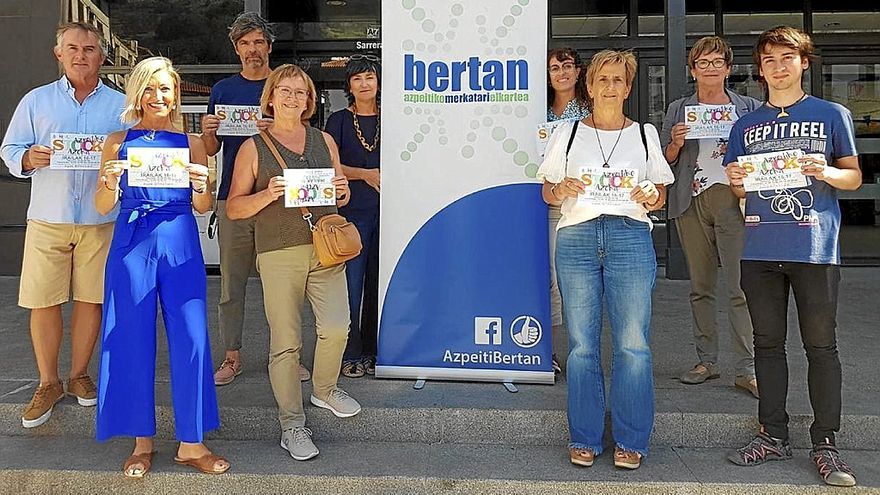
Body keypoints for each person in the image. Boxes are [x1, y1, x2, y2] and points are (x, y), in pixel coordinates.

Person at [723, 26, 861, 488]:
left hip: (814, 248)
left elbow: (854, 178)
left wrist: (826, 170)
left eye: (787, 57)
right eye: (769, 60)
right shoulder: (745, 125)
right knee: (767, 345)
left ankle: (826, 443)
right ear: (760, 70)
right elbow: (742, 190)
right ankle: (772, 434)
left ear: (804, 62)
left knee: (821, 347)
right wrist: (737, 178)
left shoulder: (831, 114)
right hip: (760, 248)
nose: (778, 67)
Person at [538, 50, 674, 470]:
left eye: (618, 80)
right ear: (590, 86)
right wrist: (562, 190)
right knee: (581, 345)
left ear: (628, 87)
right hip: (577, 237)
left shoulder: (647, 135)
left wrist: (652, 195)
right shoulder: (568, 134)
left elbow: (661, 192)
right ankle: (585, 436)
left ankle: (632, 438)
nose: (610, 86)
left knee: (633, 344)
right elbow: (547, 192)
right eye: (603, 79)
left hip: (629, 236)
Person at [94, 57, 228, 477]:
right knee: (130, 336)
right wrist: (110, 183)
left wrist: (203, 185)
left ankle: (192, 443)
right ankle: (141, 441)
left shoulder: (192, 144)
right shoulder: (117, 141)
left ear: (176, 94)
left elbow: (203, 206)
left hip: (180, 241)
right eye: (149, 88)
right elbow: (101, 206)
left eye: (165, 88)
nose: (157, 97)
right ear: (137, 93)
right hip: (132, 241)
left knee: (191, 337)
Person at [226, 64, 361, 461]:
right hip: (278, 251)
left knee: (337, 327)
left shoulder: (323, 140)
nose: (292, 98)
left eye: (300, 92)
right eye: (284, 91)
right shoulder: (255, 147)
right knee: (286, 343)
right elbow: (234, 208)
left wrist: (342, 189)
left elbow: (341, 195)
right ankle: (292, 425)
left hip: (325, 246)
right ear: (270, 96)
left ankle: (323, 389)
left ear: (309, 100)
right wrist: (267, 194)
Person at [0, 22, 125, 428]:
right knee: (43, 300)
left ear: (102, 56)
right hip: (49, 215)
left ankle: (79, 375)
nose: (81, 55)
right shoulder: (36, 101)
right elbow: (10, 148)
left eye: (89, 49)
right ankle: (48, 382)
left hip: (100, 218)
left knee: (92, 299)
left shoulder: (121, 106)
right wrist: (27, 158)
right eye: (72, 48)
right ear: (58, 53)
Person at [201, 13, 310, 385]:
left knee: (282, 286)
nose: (252, 50)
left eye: (258, 42)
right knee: (232, 286)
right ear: (236, 49)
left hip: (279, 202)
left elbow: (304, 138)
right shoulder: (222, 90)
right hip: (233, 197)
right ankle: (232, 357)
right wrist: (208, 132)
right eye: (245, 43)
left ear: (269, 46)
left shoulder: (284, 86)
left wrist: (276, 130)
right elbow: (212, 148)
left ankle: (287, 356)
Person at [660, 36, 762, 398]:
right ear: (692, 70)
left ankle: (747, 368)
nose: (711, 68)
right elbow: (663, 161)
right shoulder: (678, 109)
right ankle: (707, 360)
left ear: (728, 68)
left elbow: (760, 153)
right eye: (703, 63)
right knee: (700, 287)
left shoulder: (748, 108)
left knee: (740, 287)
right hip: (691, 200)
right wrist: (674, 142)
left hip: (735, 201)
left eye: (717, 62)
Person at [325, 54, 381, 378]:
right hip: (351, 215)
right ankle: (350, 351)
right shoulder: (338, 121)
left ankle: (374, 350)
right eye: (357, 78)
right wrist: (365, 174)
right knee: (351, 286)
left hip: (389, 214)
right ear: (349, 85)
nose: (364, 84)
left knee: (377, 285)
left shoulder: (392, 118)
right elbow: (329, 164)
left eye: (369, 78)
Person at [545, 46, 590, 375]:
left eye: (566, 66)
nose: (560, 73)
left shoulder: (591, 109)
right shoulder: (538, 109)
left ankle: (583, 353)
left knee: (583, 282)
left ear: (578, 72)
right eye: (553, 68)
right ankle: (551, 352)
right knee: (553, 281)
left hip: (588, 203)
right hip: (548, 200)